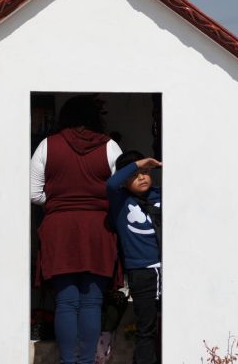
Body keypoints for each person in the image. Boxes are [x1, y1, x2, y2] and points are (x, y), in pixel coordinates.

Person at [30, 95, 122, 364]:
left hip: (59, 230)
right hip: (98, 229)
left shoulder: (47, 145)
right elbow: (120, 189)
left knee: (66, 302)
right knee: (92, 302)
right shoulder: (111, 147)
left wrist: (61, 202)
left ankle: (67, 361)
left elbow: (34, 194)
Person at [107, 150, 162, 364]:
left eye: (146, 172)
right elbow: (111, 184)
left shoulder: (161, 196)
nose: (142, 177)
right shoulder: (120, 201)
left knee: (170, 324)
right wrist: (139, 163)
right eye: (135, 174)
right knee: (146, 327)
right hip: (142, 272)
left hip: (169, 270)